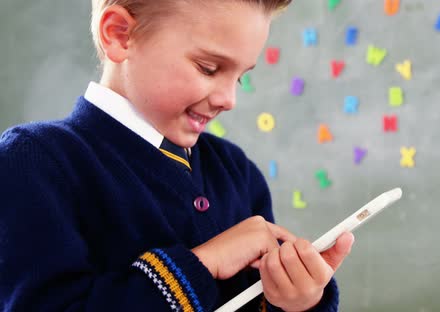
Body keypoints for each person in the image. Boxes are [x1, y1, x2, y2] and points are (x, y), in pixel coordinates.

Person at [0, 0, 355, 311]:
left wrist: (294, 302)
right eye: (209, 68)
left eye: (241, 77)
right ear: (120, 34)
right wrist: (204, 263)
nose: (229, 99)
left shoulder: (236, 172)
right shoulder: (33, 162)